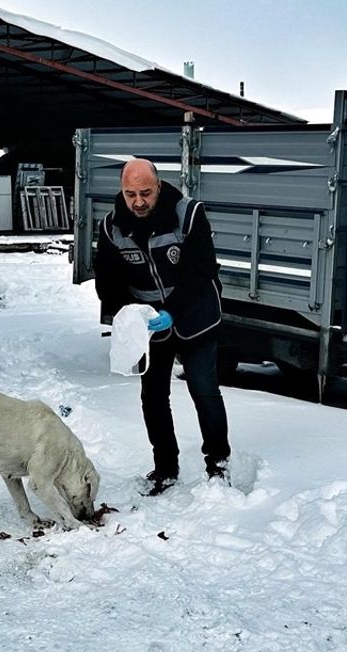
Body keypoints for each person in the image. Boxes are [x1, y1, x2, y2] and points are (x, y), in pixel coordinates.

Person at [94, 158, 230, 496]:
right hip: (150, 327)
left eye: (145, 193)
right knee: (153, 398)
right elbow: (107, 280)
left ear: (158, 187)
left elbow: (201, 273)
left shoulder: (189, 214)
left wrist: (172, 310)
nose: (138, 202)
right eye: (130, 195)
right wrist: (127, 315)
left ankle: (219, 464)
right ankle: (165, 468)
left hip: (195, 316)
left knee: (203, 390)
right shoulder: (111, 228)